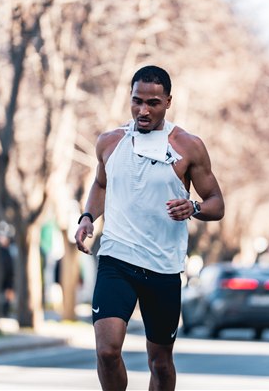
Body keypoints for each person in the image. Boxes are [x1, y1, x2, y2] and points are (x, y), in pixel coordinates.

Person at [75, 65, 224, 391]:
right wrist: (87, 217)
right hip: (117, 260)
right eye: (137, 101)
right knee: (107, 351)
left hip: (163, 267)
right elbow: (101, 184)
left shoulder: (188, 146)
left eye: (153, 103)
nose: (143, 110)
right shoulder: (110, 142)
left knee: (160, 362)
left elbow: (216, 203)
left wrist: (194, 207)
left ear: (168, 102)